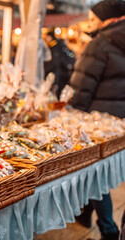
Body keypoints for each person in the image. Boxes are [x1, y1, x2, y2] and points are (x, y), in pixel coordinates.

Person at [70, 1, 125, 239]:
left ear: (106, 19)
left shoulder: (100, 43)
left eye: (93, 20)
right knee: (103, 170)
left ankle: (108, 228)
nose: (90, 25)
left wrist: (71, 115)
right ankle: (84, 213)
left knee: (95, 173)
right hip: (120, 121)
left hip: (97, 123)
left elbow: (82, 86)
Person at [44, 31, 76, 99]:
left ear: (50, 37)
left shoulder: (54, 47)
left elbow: (55, 63)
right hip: (65, 73)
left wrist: (55, 79)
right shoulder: (60, 45)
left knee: (58, 94)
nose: (46, 39)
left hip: (60, 75)